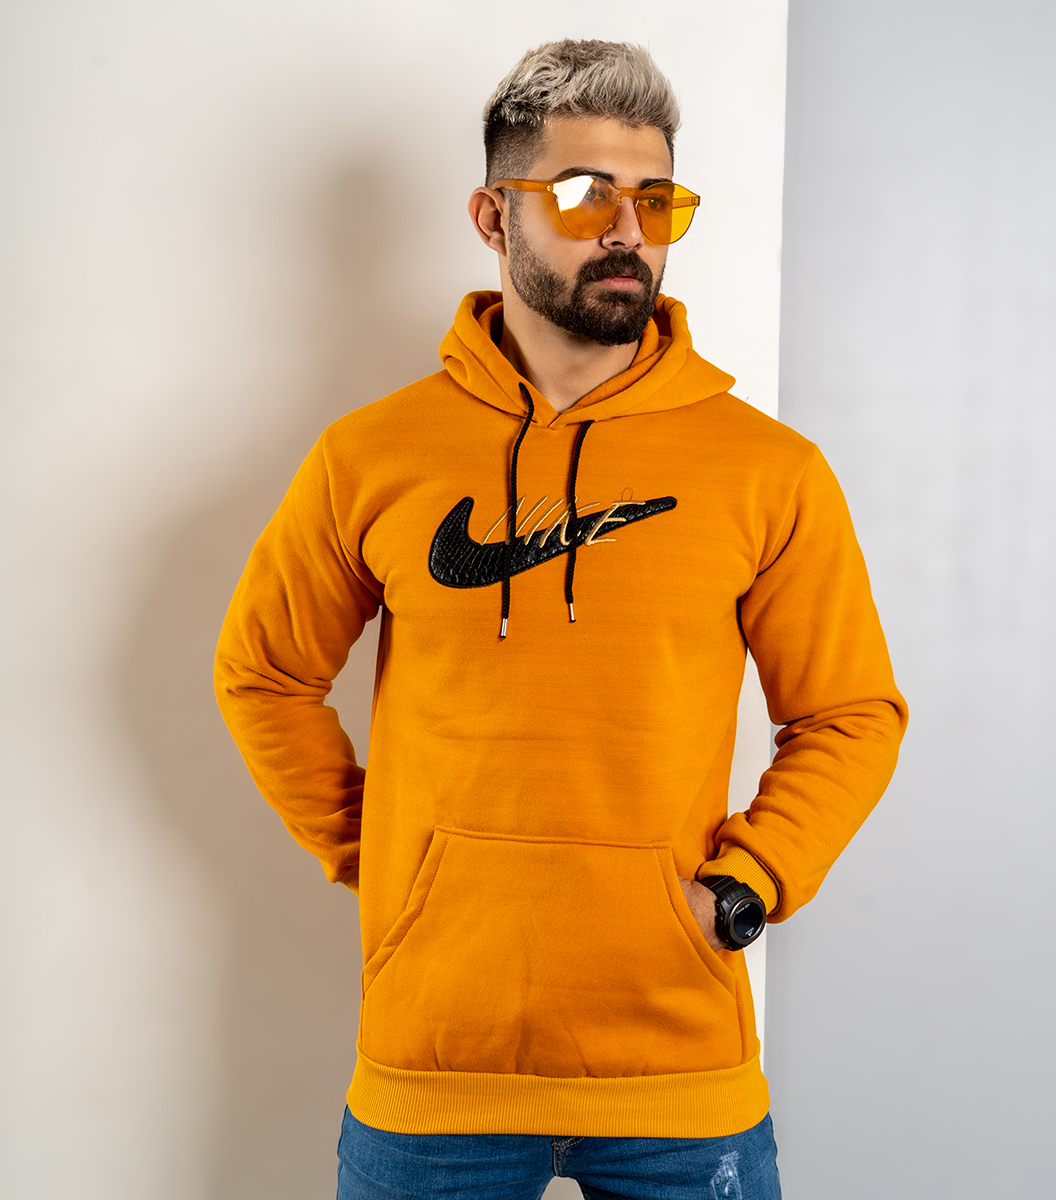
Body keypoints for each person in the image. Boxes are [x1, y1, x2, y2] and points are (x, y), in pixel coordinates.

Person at [214, 38, 907, 1200]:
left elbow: (850, 714)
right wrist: (387, 862)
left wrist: (746, 886)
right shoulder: (371, 456)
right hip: (433, 1076)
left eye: (656, 199)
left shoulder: (768, 471)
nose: (629, 230)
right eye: (587, 194)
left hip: (681, 1077)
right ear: (495, 215)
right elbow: (264, 673)